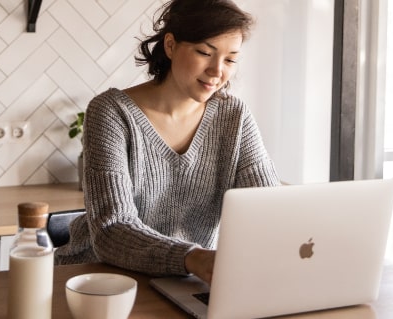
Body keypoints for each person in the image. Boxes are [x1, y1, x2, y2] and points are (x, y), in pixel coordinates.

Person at [55, 0, 281, 284]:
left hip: (183, 280)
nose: (217, 71)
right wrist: (192, 258)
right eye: (204, 52)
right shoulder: (111, 112)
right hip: (95, 279)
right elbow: (112, 229)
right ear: (171, 45)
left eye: (230, 59)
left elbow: (269, 207)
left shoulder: (233, 116)